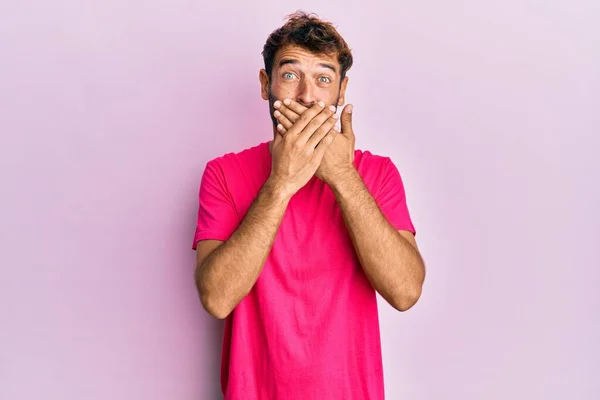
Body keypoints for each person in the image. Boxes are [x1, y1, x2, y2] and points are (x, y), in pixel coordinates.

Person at [192, 11, 426, 400]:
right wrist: (282, 181)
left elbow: (405, 292)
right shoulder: (223, 174)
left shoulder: (378, 173)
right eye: (290, 75)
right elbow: (216, 299)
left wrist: (342, 176)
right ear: (266, 85)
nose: (306, 95)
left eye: (323, 79)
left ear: (341, 92)